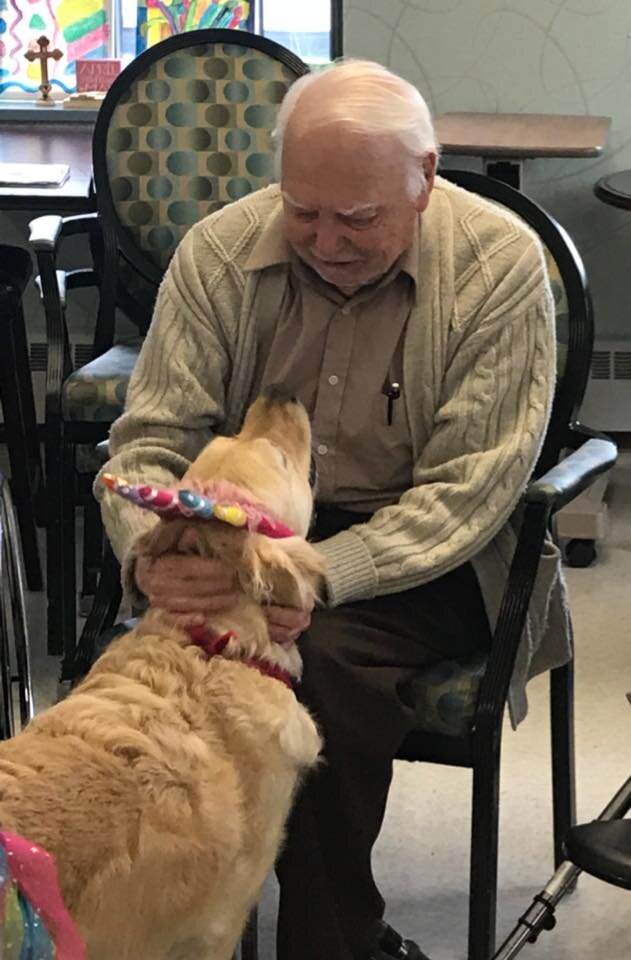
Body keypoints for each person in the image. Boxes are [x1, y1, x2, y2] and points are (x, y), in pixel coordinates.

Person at [97, 59, 566, 960]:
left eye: (357, 218)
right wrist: (156, 556)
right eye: (302, 211)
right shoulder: (219, 252)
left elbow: (468, 493)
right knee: (151, 678)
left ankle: (334, 942)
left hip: (427, 552)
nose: (325, 241)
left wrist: (311, 578)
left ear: (424, 178)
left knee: (309, 668)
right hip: (241, 540)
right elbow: (149, 441)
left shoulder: (497, 266)